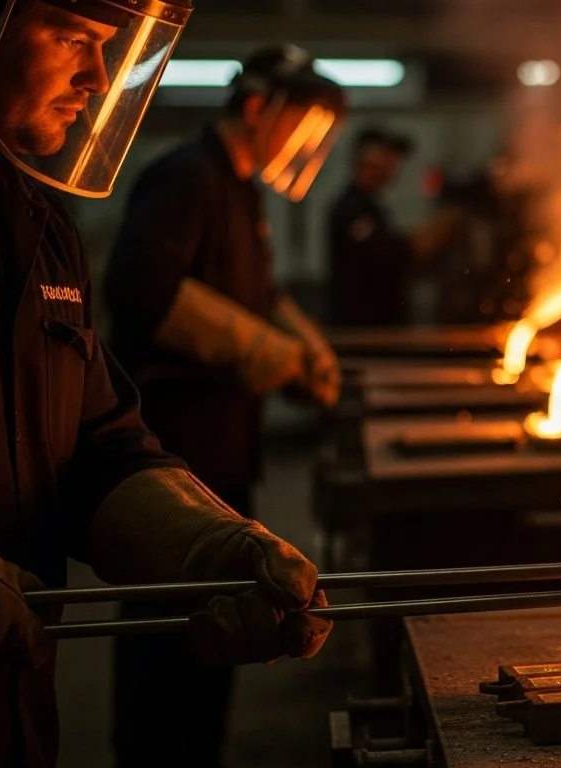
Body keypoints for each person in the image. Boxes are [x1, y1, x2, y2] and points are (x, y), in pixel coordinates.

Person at [0, 2, 331, 767]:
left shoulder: (41, 228)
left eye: (108, 47)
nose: (99, 79)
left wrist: (207, 547)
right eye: (73, 36)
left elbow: (97, 442)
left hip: (15, 715)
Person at [102, 43, 345, 767]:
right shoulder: (187, 179)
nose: (306, 147)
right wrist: (272, 356)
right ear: (253, 107)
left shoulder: (241, 191)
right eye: (299, 126)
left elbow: (257, 297)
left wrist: (306, 345)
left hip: (226, 450)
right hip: (175, 460)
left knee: (217, 638)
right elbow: (143, 289)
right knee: (165, 646)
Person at [327, 127, 459, 326]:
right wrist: (443, 225)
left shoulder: (371, 208)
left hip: (377, 327)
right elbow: (391, 252)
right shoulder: (351, 209)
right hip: (363, 331)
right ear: (370, 158)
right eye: (388, 156)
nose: (394, 166)